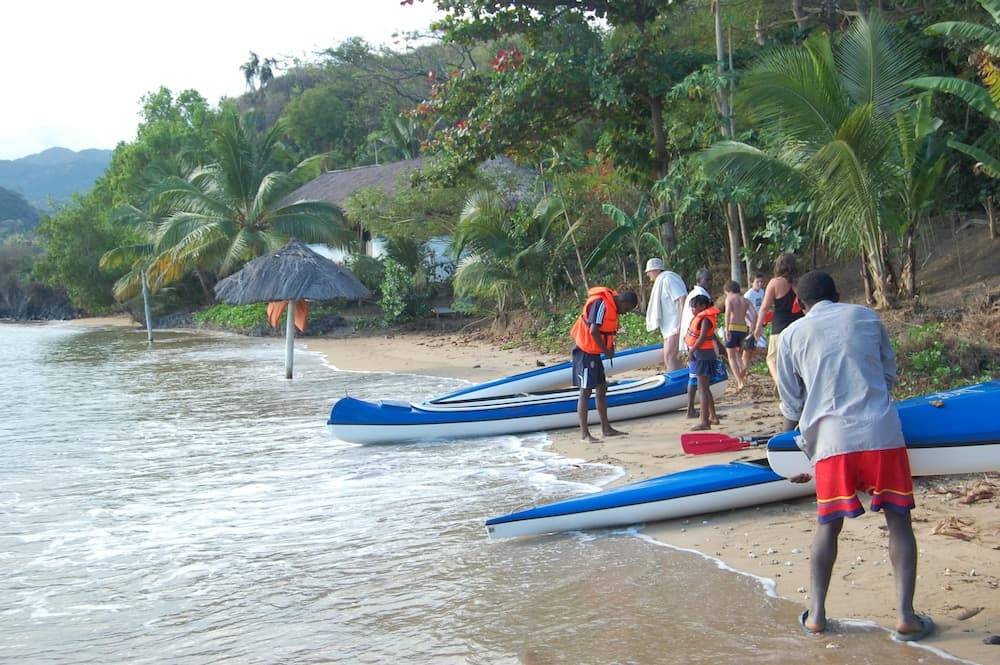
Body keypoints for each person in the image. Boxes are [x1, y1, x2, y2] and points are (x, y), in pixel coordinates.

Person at [777, 271, 933, 642]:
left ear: (799, 303)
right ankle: (906, 616)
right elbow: (888, 374)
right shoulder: (867, 317)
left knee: (828, 526)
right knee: (899, 522)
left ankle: (816, 615)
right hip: (881, 434)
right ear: (838, 293)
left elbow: (792, 402)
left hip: (831, 443)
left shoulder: (791, 335)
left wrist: (789, 450)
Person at [571, 286, 639, 442]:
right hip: (585, 351)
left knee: (601, 387)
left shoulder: (612, 307)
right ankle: (584, 434)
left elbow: (606, 331)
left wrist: (609, 346)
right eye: (626, 309)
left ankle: (606, 428)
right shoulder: (601, 303)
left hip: (594, 352)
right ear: (622, 301)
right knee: (586, 391)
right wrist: (606, 350)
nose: (624, 313)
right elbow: (593, 331)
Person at [752, 254, 803, 388]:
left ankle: (781, 385)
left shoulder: (775, 283)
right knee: (797, 358)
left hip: (780, 327)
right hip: (799, 326)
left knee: (772, 359)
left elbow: (764, 307)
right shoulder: (800, 282)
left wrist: (758, 327)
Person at [683, 294, 720, 430]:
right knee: (705, 387)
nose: (693, 310)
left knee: (702, 389)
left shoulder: (704, 319)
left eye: (695, 307)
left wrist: (692, 351)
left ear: (703, 306)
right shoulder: (704, 317)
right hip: (705, 354)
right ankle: (713, 416)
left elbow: (703, 336)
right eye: (691, 307)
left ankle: (705, 421)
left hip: (703, 355)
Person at [644, 257, 688, 372]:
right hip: (669, 326)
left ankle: (675, 380)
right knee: (670, 356)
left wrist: (681, 323)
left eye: (649, 271)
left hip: (675, 324)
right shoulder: (662, 280)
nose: (648, 274)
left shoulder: (668, 279)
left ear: (656, 270)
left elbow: (682, 298)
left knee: (669, 355)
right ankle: (681, 377)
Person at [722, 280, 751, 392]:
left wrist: (727, 329)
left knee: (731, 356)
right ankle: (743, 367)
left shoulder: (729, 299)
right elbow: (753, 314)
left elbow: (727, 314)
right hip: (743, 329)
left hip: (732, 327)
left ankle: (739, 382)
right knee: (737, 352)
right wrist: (753, 327)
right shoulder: (746, 300)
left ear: (728, 291)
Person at [679, 268, 712, 355]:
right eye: (707, 280)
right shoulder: (700, 295)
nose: (710, 282)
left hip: (692, 340)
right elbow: (703, 323)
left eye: (710, 280)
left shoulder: (695, 293)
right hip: (696, 342)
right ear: (698, 280)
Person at [742, 272, 767, 370]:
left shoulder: (762, 292)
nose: (760, 284)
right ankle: (744, 367)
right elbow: (743, 311)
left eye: (761, 282)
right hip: (750, 324)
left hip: (759, 322)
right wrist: (750, 322)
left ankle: (745, 361)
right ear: (752, 283)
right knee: (749, 346)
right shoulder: (748, 295)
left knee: (762, 346)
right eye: (757, 282)